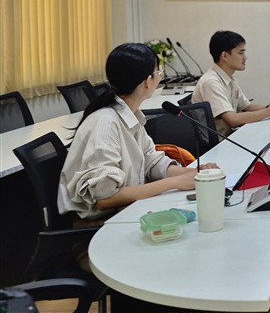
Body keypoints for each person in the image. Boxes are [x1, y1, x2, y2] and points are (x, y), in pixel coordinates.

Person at [58, 43, 217, 268]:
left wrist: (192, 174)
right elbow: (105, 199)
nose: (160, 76)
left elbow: (152, 161)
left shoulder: (129, 115)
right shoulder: (105, 124)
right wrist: (174, 183)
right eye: (158, 72)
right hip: (97, 235)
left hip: (123, 216)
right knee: (187, 254)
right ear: (147, 82)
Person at [193, 31, 270, 137]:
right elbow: (233, 120)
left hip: (232, 135)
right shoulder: (210, 82)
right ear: (225, 56)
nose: (245, 57)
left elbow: (246, 107)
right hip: (220, 143)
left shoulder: (229, 78)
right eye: (241, 53)